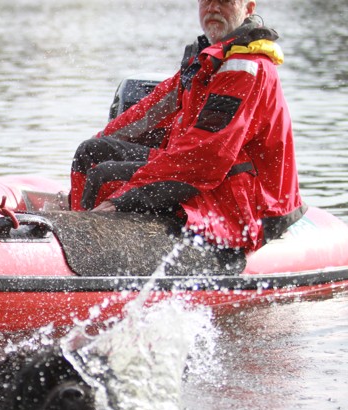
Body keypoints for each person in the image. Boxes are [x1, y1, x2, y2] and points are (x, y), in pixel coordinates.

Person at [69, 0, 304, 251]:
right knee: (90, 152)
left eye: (224, 2)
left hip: (246, 201)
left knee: (105, 176)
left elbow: (207, 157)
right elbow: (146, 115)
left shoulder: (245, 68)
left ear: (248, 9)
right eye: (206, 1)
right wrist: (101, 138)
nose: (213, 8)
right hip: (207, 174)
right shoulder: (206, 60)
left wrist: (127, 198)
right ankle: (73, 233)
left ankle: (85, 247)